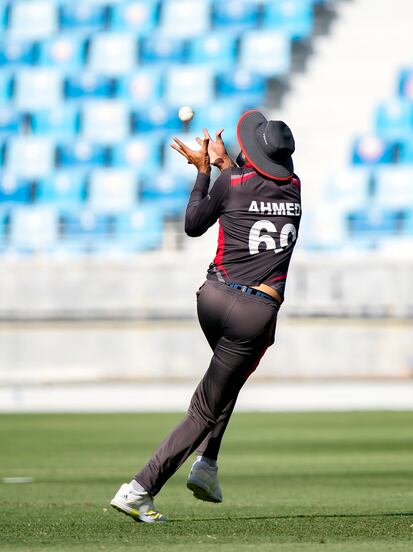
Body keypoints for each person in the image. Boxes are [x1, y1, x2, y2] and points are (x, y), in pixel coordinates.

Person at [110, 110, 302, 523]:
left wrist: (205, 171)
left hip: (212, 300)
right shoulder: (295, 189)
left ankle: (208, 466)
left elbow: (194, 224)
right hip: (255, 313)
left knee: (226, 381)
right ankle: (139, 489)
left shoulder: (230, 184)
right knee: (205, 408)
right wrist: (221, 165)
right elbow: (256, 184)